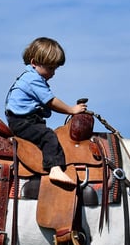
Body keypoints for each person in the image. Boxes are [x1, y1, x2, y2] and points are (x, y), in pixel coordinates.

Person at [5, 37, 88, 187]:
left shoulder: (31, 78)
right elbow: (51, 101)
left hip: (24, 120)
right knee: (48, 136)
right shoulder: (32, 79)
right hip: (22, 122)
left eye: (55, 68)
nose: (53, 73)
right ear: (34, 63)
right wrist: (72, 109)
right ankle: (54, 168)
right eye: (50, 68)